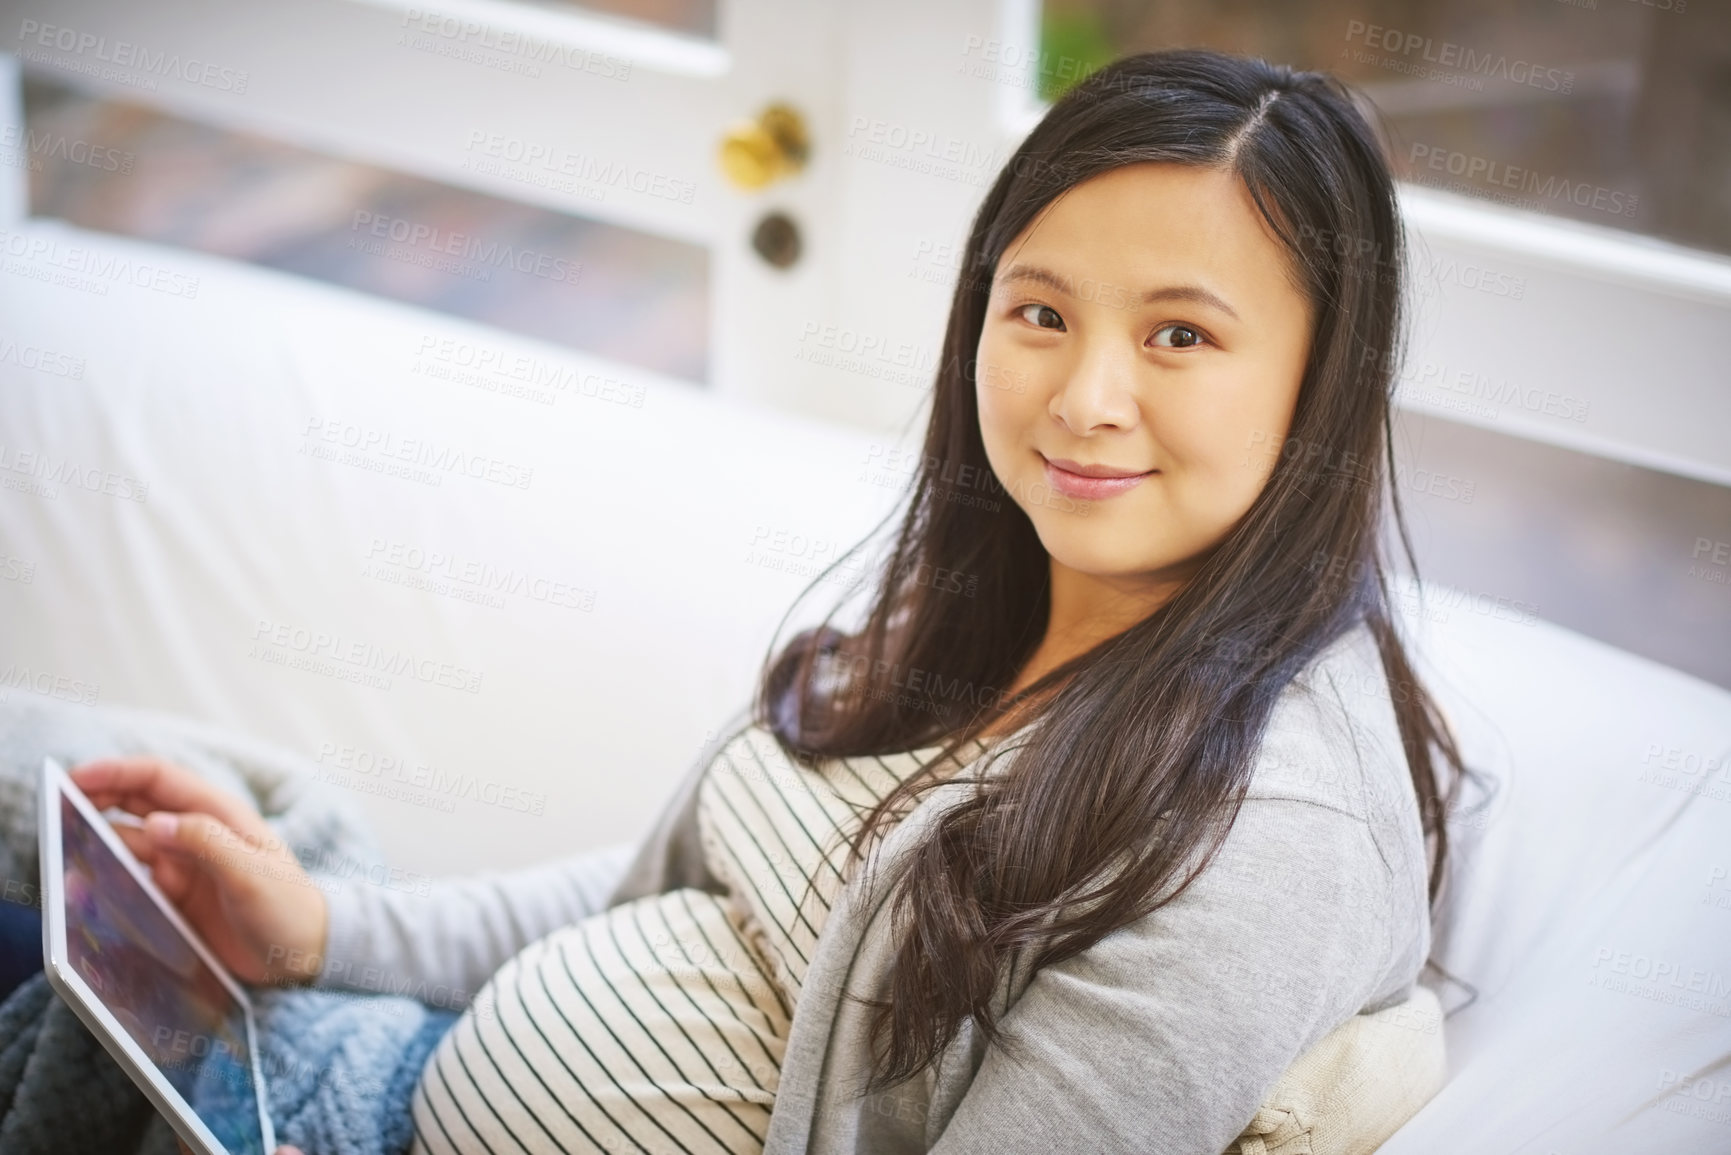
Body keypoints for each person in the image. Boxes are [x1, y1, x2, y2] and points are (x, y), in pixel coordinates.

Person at [72, 48, 1470, 1155]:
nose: (1085, 399)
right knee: (77, 883)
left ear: (1322, 379)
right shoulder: (1021, 593)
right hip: (369, 1075)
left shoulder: (1265, 845)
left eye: (1180, 335)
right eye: (1041, 311)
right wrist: (324, 932)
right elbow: (666, 894)